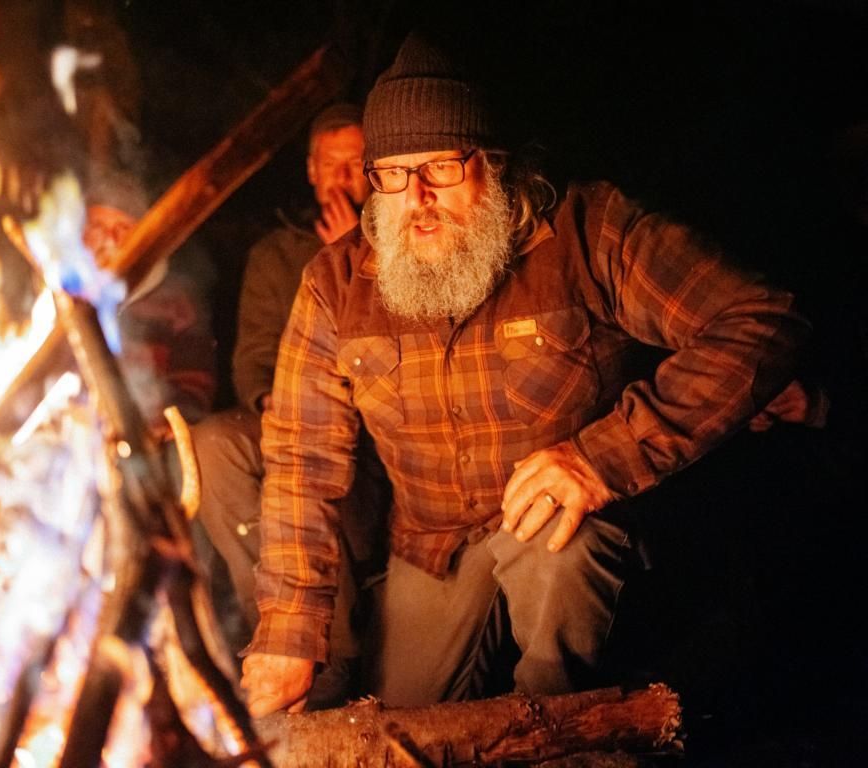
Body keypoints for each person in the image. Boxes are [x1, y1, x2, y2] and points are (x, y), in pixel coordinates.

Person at [240, 31, 810, 716]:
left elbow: (759, 318)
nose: (414, 195)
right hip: (431, 544)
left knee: (560, 559)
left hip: (567, 522)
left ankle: (562, 732)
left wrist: (602, 457)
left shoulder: (585, 232)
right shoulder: (336, 283)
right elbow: (301, 456)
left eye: (441, 166)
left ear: (494, 163)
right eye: (391, 172)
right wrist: (287, 631)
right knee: (401, 726)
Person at [190, 103, 386, 701]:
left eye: (357, 164)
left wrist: (357, 250)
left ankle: (336, 664)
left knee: (322, 469)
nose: (342, 178)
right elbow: (251, 354)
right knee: (215, 444)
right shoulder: (275, 255)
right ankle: (275, 641)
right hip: (288, 421)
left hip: (375, 440)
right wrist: (273, 399)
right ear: (310, 170)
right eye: (332, 164)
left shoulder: (403, 248)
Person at [82, 171, 218, 433]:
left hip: (145, 439)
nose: (110, 241)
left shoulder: (176, 304)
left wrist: (159, 431)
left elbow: (193, 389)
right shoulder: (59, 296)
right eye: (98, 227)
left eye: (122, 228)